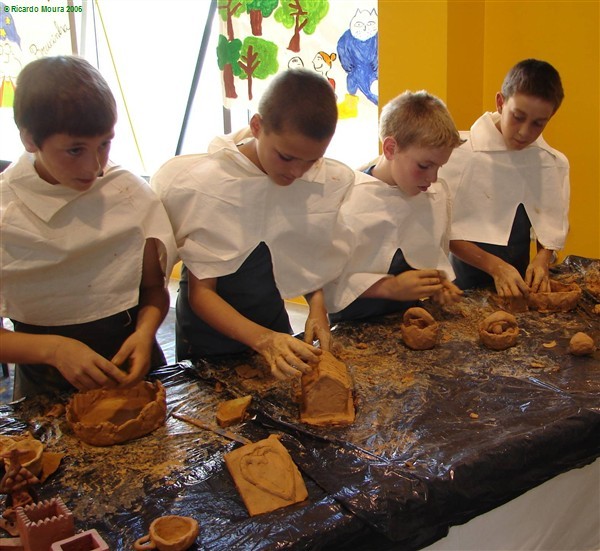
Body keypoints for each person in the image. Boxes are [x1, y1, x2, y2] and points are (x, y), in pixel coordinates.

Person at [152, 69, 354, 380]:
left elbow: (306, 250)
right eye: (286, 157)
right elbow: (201, 295)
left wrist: (316, 306)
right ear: (257, 126)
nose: (298, 172)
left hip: (271, 319)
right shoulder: (210, 185)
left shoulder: (315, 181)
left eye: (311, 161)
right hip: (209, 336)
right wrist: (262, 340)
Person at [0, 55, 177, 399]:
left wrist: (145, 333)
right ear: (29, 139)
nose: (95, 166)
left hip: (133, 365)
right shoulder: (7, 210)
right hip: (47, 382)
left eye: (104, 145)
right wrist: (54, 350)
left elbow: (154, 290)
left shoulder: (127, 194)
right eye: (75, 150)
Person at [324, 90, 463, 323]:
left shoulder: (432, 194)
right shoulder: (347, 199)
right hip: (354, 323)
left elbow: (426, 254)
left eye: (439, 167)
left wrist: (437, 283)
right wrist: (389, 287)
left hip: (409, 319)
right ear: (390, 148)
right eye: (424, 165)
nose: (433, 179)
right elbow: (327, 279)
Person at [439, 59, 569, 298]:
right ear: (500, 103)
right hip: (463, 282)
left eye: (538, 124)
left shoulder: (550, 162)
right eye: (518, 117)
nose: (524, 132)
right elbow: (444, 231)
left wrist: (542, 258)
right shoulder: (458, 155)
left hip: (517, 281)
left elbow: (549, 226)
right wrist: (495, 266)